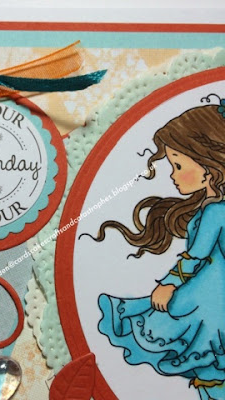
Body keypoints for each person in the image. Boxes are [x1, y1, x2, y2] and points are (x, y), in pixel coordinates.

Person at [94, 103, 225, 400]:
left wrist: (168, 284)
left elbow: (195, 258)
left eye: (178, 165)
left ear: (209, 167)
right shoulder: (211, 208)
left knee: (211, 372)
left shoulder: (216, 212)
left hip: (209, 307)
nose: (173, 175)